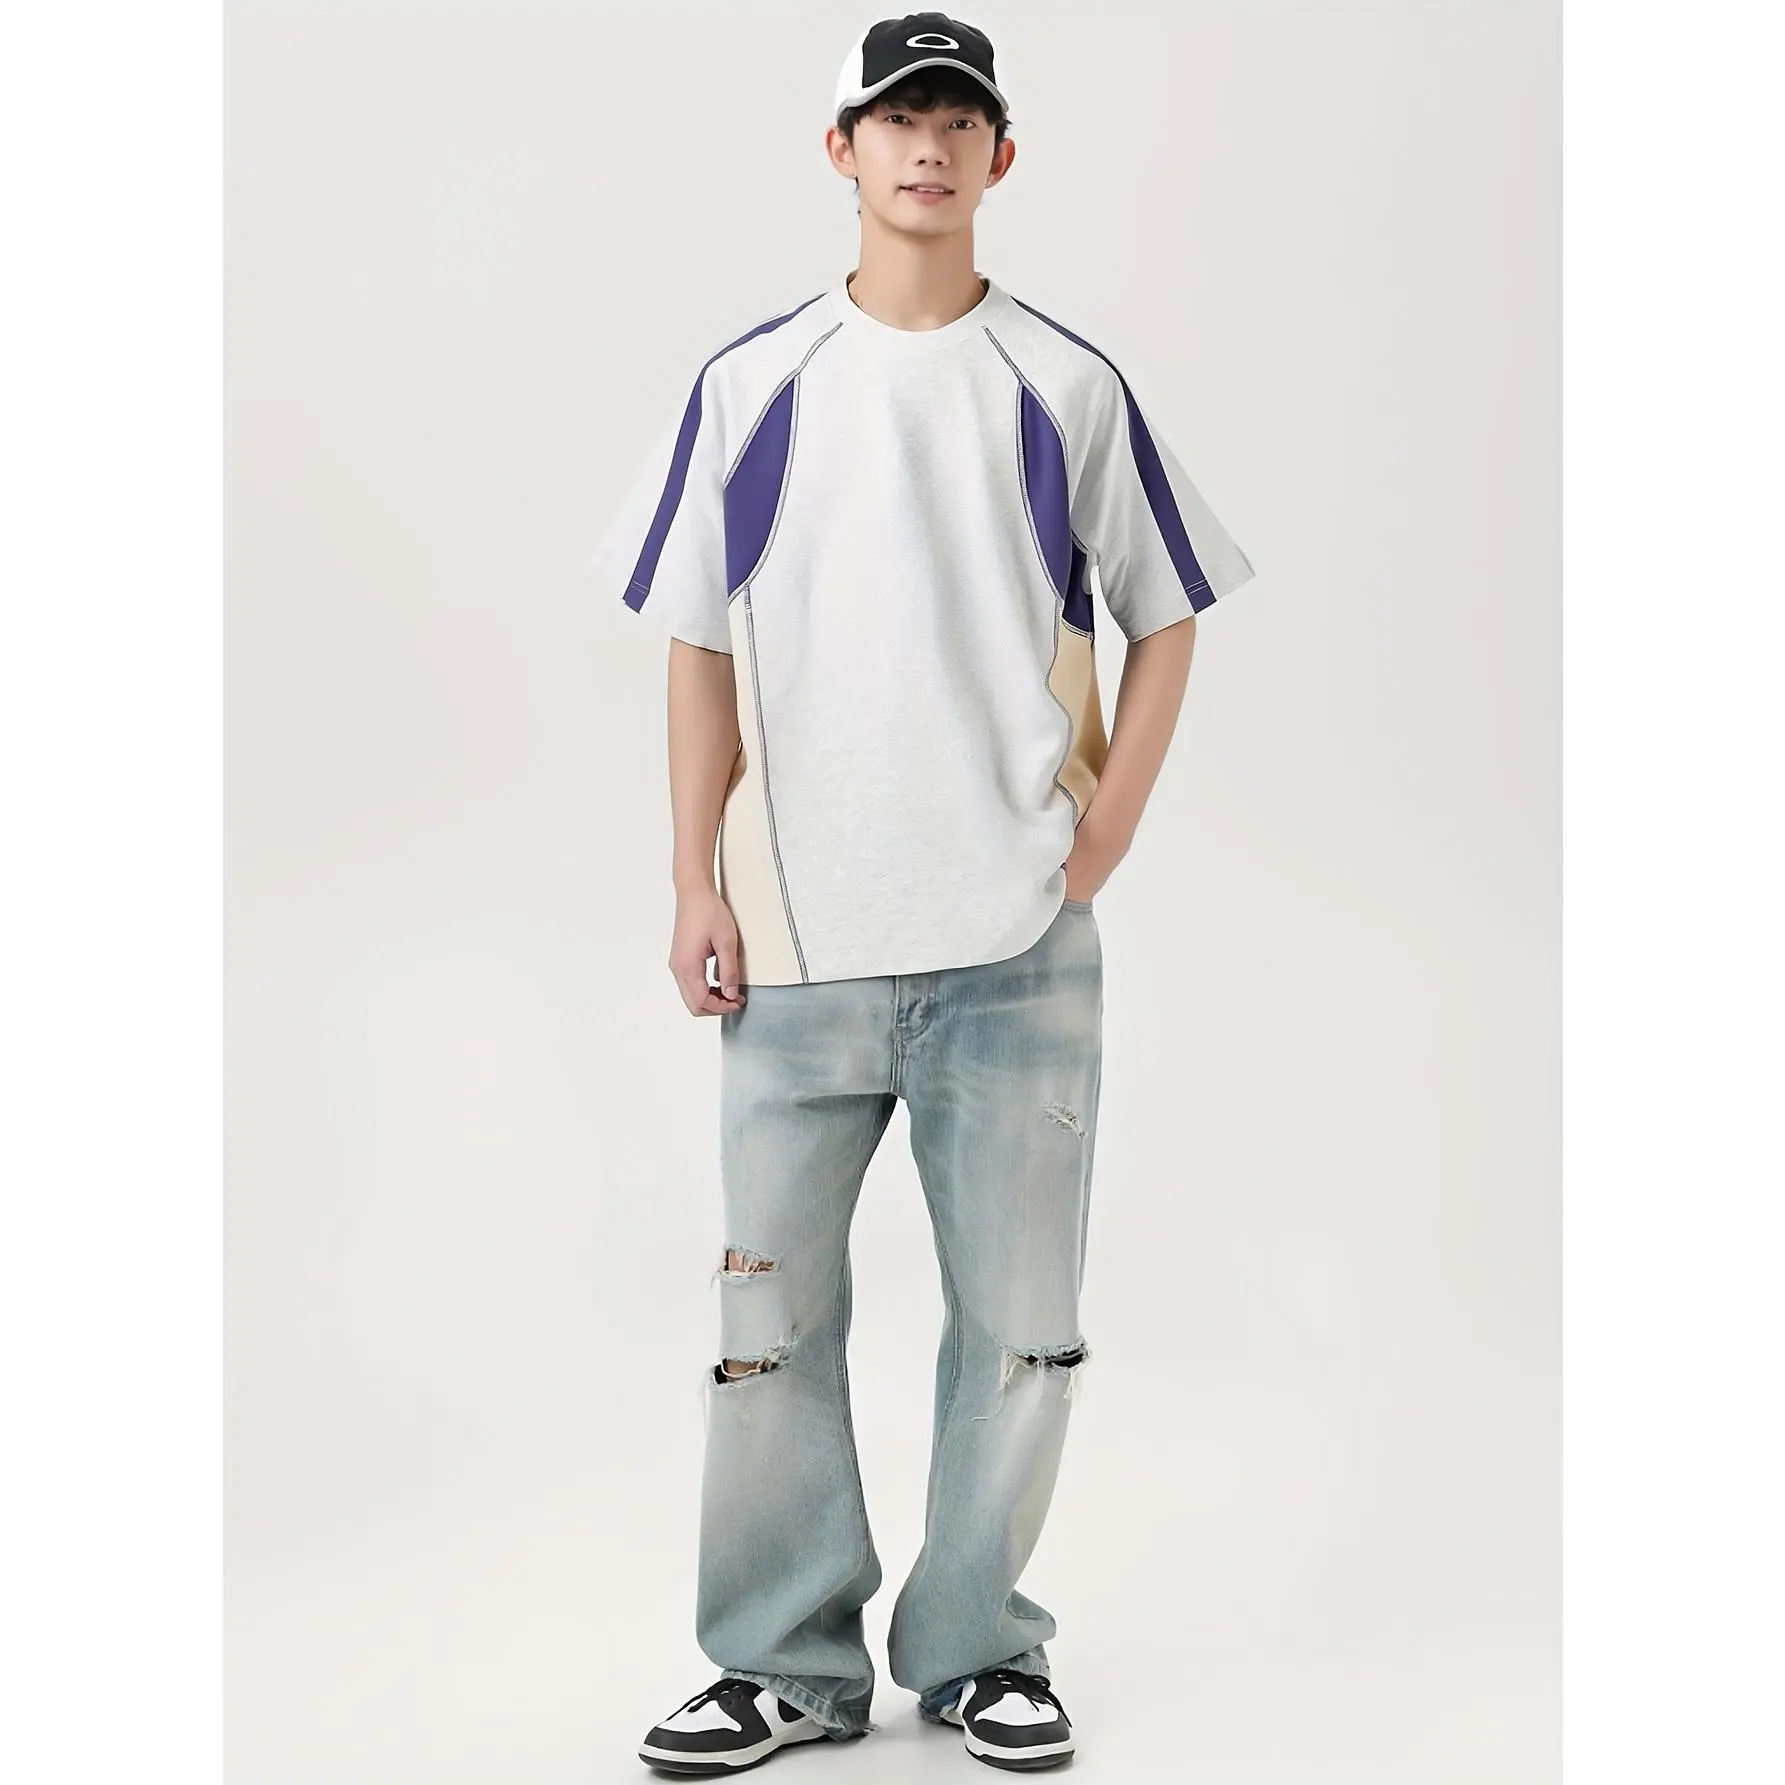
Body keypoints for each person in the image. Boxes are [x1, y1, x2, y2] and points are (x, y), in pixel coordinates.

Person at [590, 13, 1255, 1773]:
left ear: (1001, 156)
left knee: (1023, 1333)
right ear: (843, 149)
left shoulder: (1064, 384)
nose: (929, 146)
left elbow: (1170, 607)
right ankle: (783, 1664)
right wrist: (691, 880)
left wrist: (1107, 833)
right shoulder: (753, 384)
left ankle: (977, 1646)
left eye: (961, 119)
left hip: (1016, 943)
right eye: (899, 118)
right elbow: (696, 646)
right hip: (794, 938)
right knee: (768, 1326)